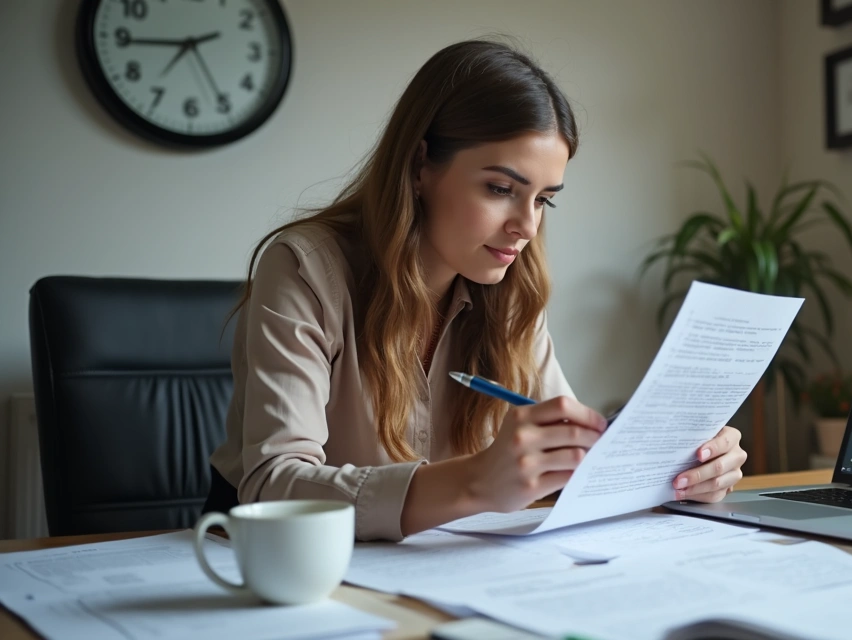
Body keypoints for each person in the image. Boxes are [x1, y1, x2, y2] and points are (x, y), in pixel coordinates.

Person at [204, 40, 747, 541]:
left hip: (437, 567)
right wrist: (476, 483)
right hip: (263, 565)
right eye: (501, 189)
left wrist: (679, 472)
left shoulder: (514, 287)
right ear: (420, 166)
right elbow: (275, 484)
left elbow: (570, 461)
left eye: (543, 199)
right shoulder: (304, 267)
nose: (527, 226)